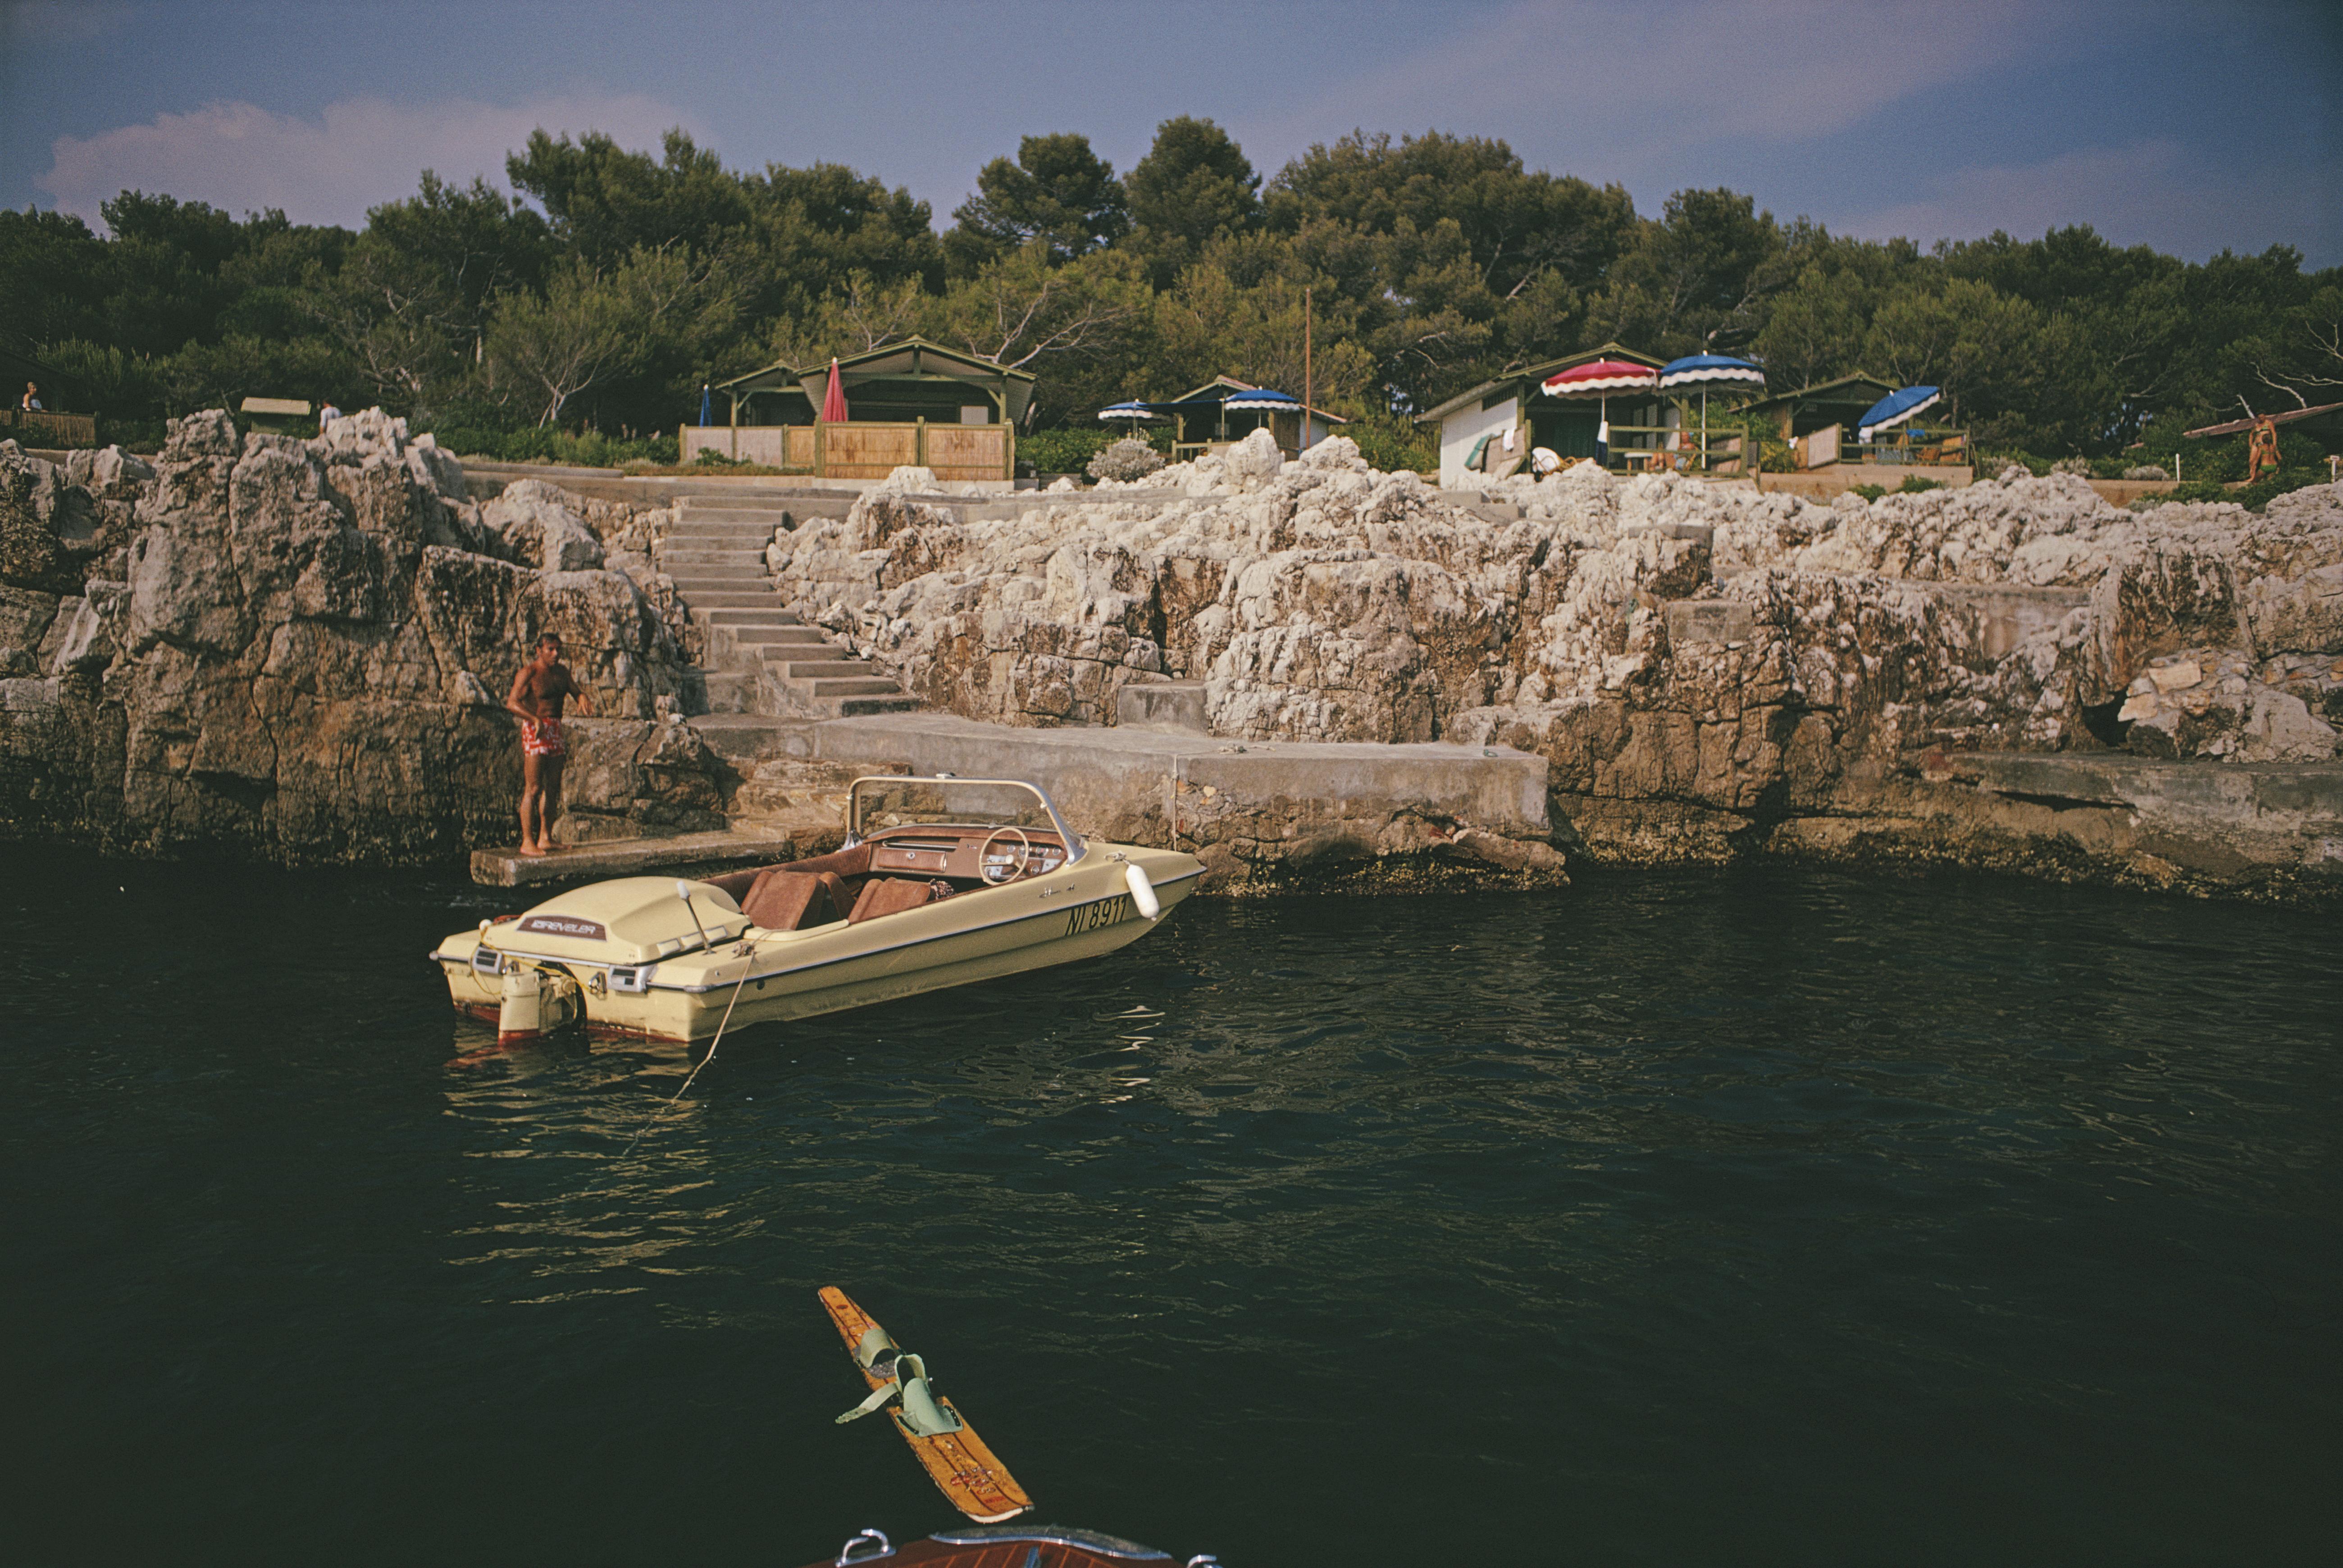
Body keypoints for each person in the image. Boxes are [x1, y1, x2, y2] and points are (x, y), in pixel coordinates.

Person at [504, 632, 594, 856]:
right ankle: (527, 841)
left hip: (555, 729)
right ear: (539, 650)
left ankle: (546, 838)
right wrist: (534, 719)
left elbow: (574, 690)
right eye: (551, 649)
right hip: (535, 729)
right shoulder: (529, 672)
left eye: (558, 649)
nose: (556, 654)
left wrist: (581, 696)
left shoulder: (562, 672)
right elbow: (512, 703)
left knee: (553, 788)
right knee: (533, 788)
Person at [2246, 414, 2281, 483]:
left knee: (2258, 460)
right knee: (2251, 461)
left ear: (2265, 416)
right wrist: (2250, 443)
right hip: (2256, 444)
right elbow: (2251, 434)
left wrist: (2274, 444)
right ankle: (2252, 477)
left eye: (2262, 417)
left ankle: (2257, 476)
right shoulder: (2257, 425)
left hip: (2263, 443)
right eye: (2259, 418)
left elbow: (2274, 434)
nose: (2261, 419)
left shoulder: (2269, 423)